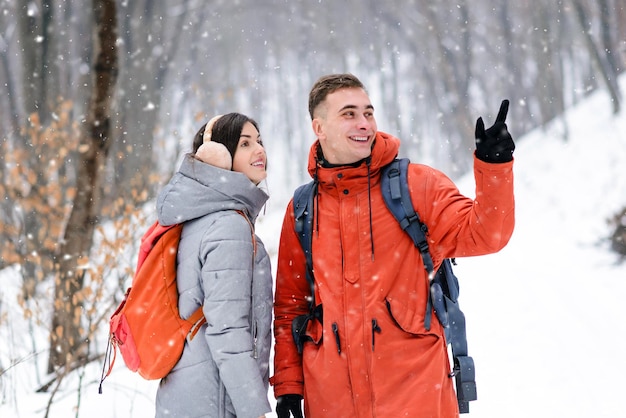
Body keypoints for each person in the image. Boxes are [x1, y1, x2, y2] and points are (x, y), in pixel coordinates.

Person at [271, 74, 515, 417]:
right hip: (330, 400)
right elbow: (290, 306)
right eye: (349, 114)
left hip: (416, 396)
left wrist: (494, 165)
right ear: (319, 127)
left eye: (368, 113)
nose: (364, 123)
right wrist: (288, 386)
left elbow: (486, 235)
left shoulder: (416, 185)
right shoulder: (302, 208)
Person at [155, 113, 272, 418]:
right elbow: (228, 329)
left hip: (187, 395)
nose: (259, 150)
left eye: (259, 141)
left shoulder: (199, 218)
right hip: (216, 401)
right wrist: (254, 410)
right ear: (218, 158)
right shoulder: (228, 227)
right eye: (245, 143)